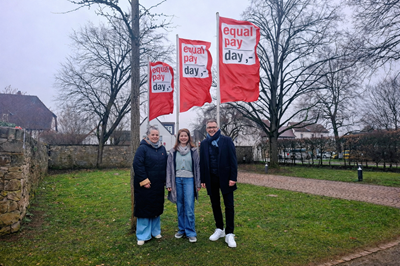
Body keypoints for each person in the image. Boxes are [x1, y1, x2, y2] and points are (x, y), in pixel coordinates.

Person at [200, 118, 238, 248]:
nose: (211, 129)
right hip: (211, 179)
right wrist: (203, 179)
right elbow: (202, 163)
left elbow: (233, 160)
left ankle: (229, 233)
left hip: (226, 179)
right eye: (209, 127)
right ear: (206, 129)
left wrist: (233, 177)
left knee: (229, 206)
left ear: (218, 128)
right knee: (215, 204)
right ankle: (219, 229)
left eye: (214, 127)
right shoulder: (204, 143)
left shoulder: (226, 141)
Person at [133, 125, 168, 246]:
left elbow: (166, 166)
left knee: (156, 209)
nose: (155, 137)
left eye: (157, 135)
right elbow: (137, 165)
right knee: (144, 209)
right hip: (145, 186)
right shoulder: (142, 149)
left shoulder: (162, 149)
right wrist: (144, 181)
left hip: (158, 185)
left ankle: (155, 231)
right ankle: (142, 235)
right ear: (148, 135)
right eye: (152, 134)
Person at [166, 128, 201, 243]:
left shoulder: (194, 151)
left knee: (189, 206)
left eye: (185, 136)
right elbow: (169, 169)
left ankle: (190, 231)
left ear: (189, 137)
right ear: (178, 137)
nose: (183, 138)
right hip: (177, 180)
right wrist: (169, 184)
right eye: (181, 136)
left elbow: (197, 167)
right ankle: (181, 229)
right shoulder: (173, 151)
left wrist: (198, 183)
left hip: (189, 180)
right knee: (180, 206)